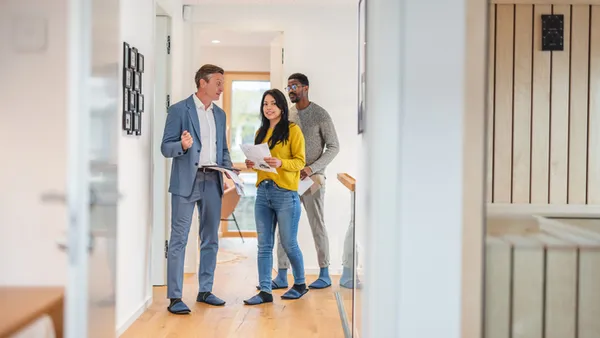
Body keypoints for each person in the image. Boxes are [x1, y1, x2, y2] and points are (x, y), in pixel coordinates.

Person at [161, 64, 234, 314]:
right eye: (218, 82)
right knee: (179, 238)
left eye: (222, 83)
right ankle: (174, 297)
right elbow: (165, 148)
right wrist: (181, 144)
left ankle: (205, 290)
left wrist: (228, 171)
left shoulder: (220, 114)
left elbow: (222, 149)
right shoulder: (179, 110)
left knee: (211, 238)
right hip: (186, 181)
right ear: (202, 83)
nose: (221, 88)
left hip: (212, 179)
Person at [270, 73, 340, 290]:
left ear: (306, 88)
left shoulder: (320, 115)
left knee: (316, 224)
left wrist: (312, 168)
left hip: (313, 179)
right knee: (284, 227)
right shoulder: (288, 115)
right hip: (290, 179)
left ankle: (325, 273)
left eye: (295, 86)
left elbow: (334, 147)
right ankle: (282, 274)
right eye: (288, 86)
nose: (290, 90)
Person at [243, 89, 309, 305]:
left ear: (281, 106)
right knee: (263, 245)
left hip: (285, 194)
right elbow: (261, 167)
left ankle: (300, 284)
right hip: (263, 191)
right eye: (265, 104)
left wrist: (281, 163)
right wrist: (252, 165)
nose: (268, 108)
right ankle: (265, 290)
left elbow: (300, 162)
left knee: (289, 243)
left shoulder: (292, 130)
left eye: (273, 103)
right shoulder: (260, 133)